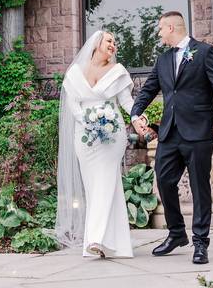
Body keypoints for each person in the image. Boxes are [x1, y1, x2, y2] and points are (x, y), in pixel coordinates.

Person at [130, 11, 213, 265]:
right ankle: (176, 233)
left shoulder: (205, 52)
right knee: (163, 180)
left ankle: (200, 243)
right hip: (169, 132)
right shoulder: (163, 59)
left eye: (161, 29)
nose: (159, 34)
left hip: (198, 131)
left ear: (172, 27)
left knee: (199, 187)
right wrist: (135, 112)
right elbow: (150, 88)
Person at [56, 30, 135, 258]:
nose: (114, 45)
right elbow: (73, 103)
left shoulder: (117, 72)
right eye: (110, 40)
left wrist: (138, 117)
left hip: (112, 136)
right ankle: (114, 244)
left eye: (115, 42)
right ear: (97, 43)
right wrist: (87, 121)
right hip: (85, 137)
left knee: (106, 181)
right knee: (94, 187)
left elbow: (127, 102)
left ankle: (95, 239)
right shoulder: (75, 72)